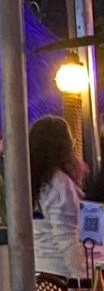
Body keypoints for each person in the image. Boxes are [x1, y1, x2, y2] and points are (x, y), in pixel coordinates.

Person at [29, 115, 87, 281]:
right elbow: (67, 240)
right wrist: (84, 279)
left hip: (35, 274)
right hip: (60, 275)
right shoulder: (60, 185)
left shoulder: (30, 184)